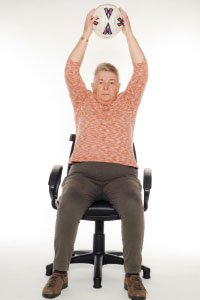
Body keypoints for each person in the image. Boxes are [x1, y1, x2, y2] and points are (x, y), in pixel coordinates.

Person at [42, 7, 148, 300]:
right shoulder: (82, 101)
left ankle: (133, 276)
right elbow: (69, 70)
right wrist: (87, 33)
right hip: (83, 174)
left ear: (119, 87)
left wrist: (128, 31)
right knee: (68, 204)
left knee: (132, 204)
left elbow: (142, 70)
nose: (105, 86)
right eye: (100, 81)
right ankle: (59, 273)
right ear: (91, 86)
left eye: (111, 81)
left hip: (122, 175)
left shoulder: (128, 103)